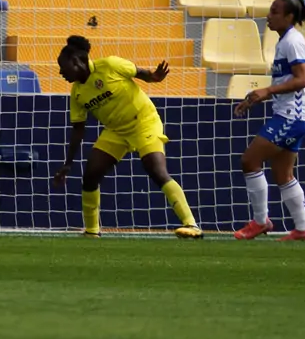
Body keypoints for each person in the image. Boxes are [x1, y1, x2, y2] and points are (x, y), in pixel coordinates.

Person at [52, 36, 203, 238]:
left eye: (63, 67)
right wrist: (68, 163)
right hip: (116, 131)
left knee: (156, 170)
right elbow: (78, 129)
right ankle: (91, 232)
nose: (61, 72)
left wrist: (154, 77)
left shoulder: (110, 65)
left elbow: (142, 73)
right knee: (90, 176)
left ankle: (191, 224)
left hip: (143, 122)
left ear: (77, 62)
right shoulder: (77, 93)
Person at [233, 0, 305, 241]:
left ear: (289, 17)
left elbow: (302, 80)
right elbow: (287, 82)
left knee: (250, 161)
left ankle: (260, 221)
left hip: (291, 116)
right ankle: (302, 229)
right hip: (295, 115)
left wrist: (267, 91)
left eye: (275, 11)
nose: (269, 15)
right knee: (283, 175)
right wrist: (256, 98)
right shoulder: (285, 42)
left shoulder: (292, 42)